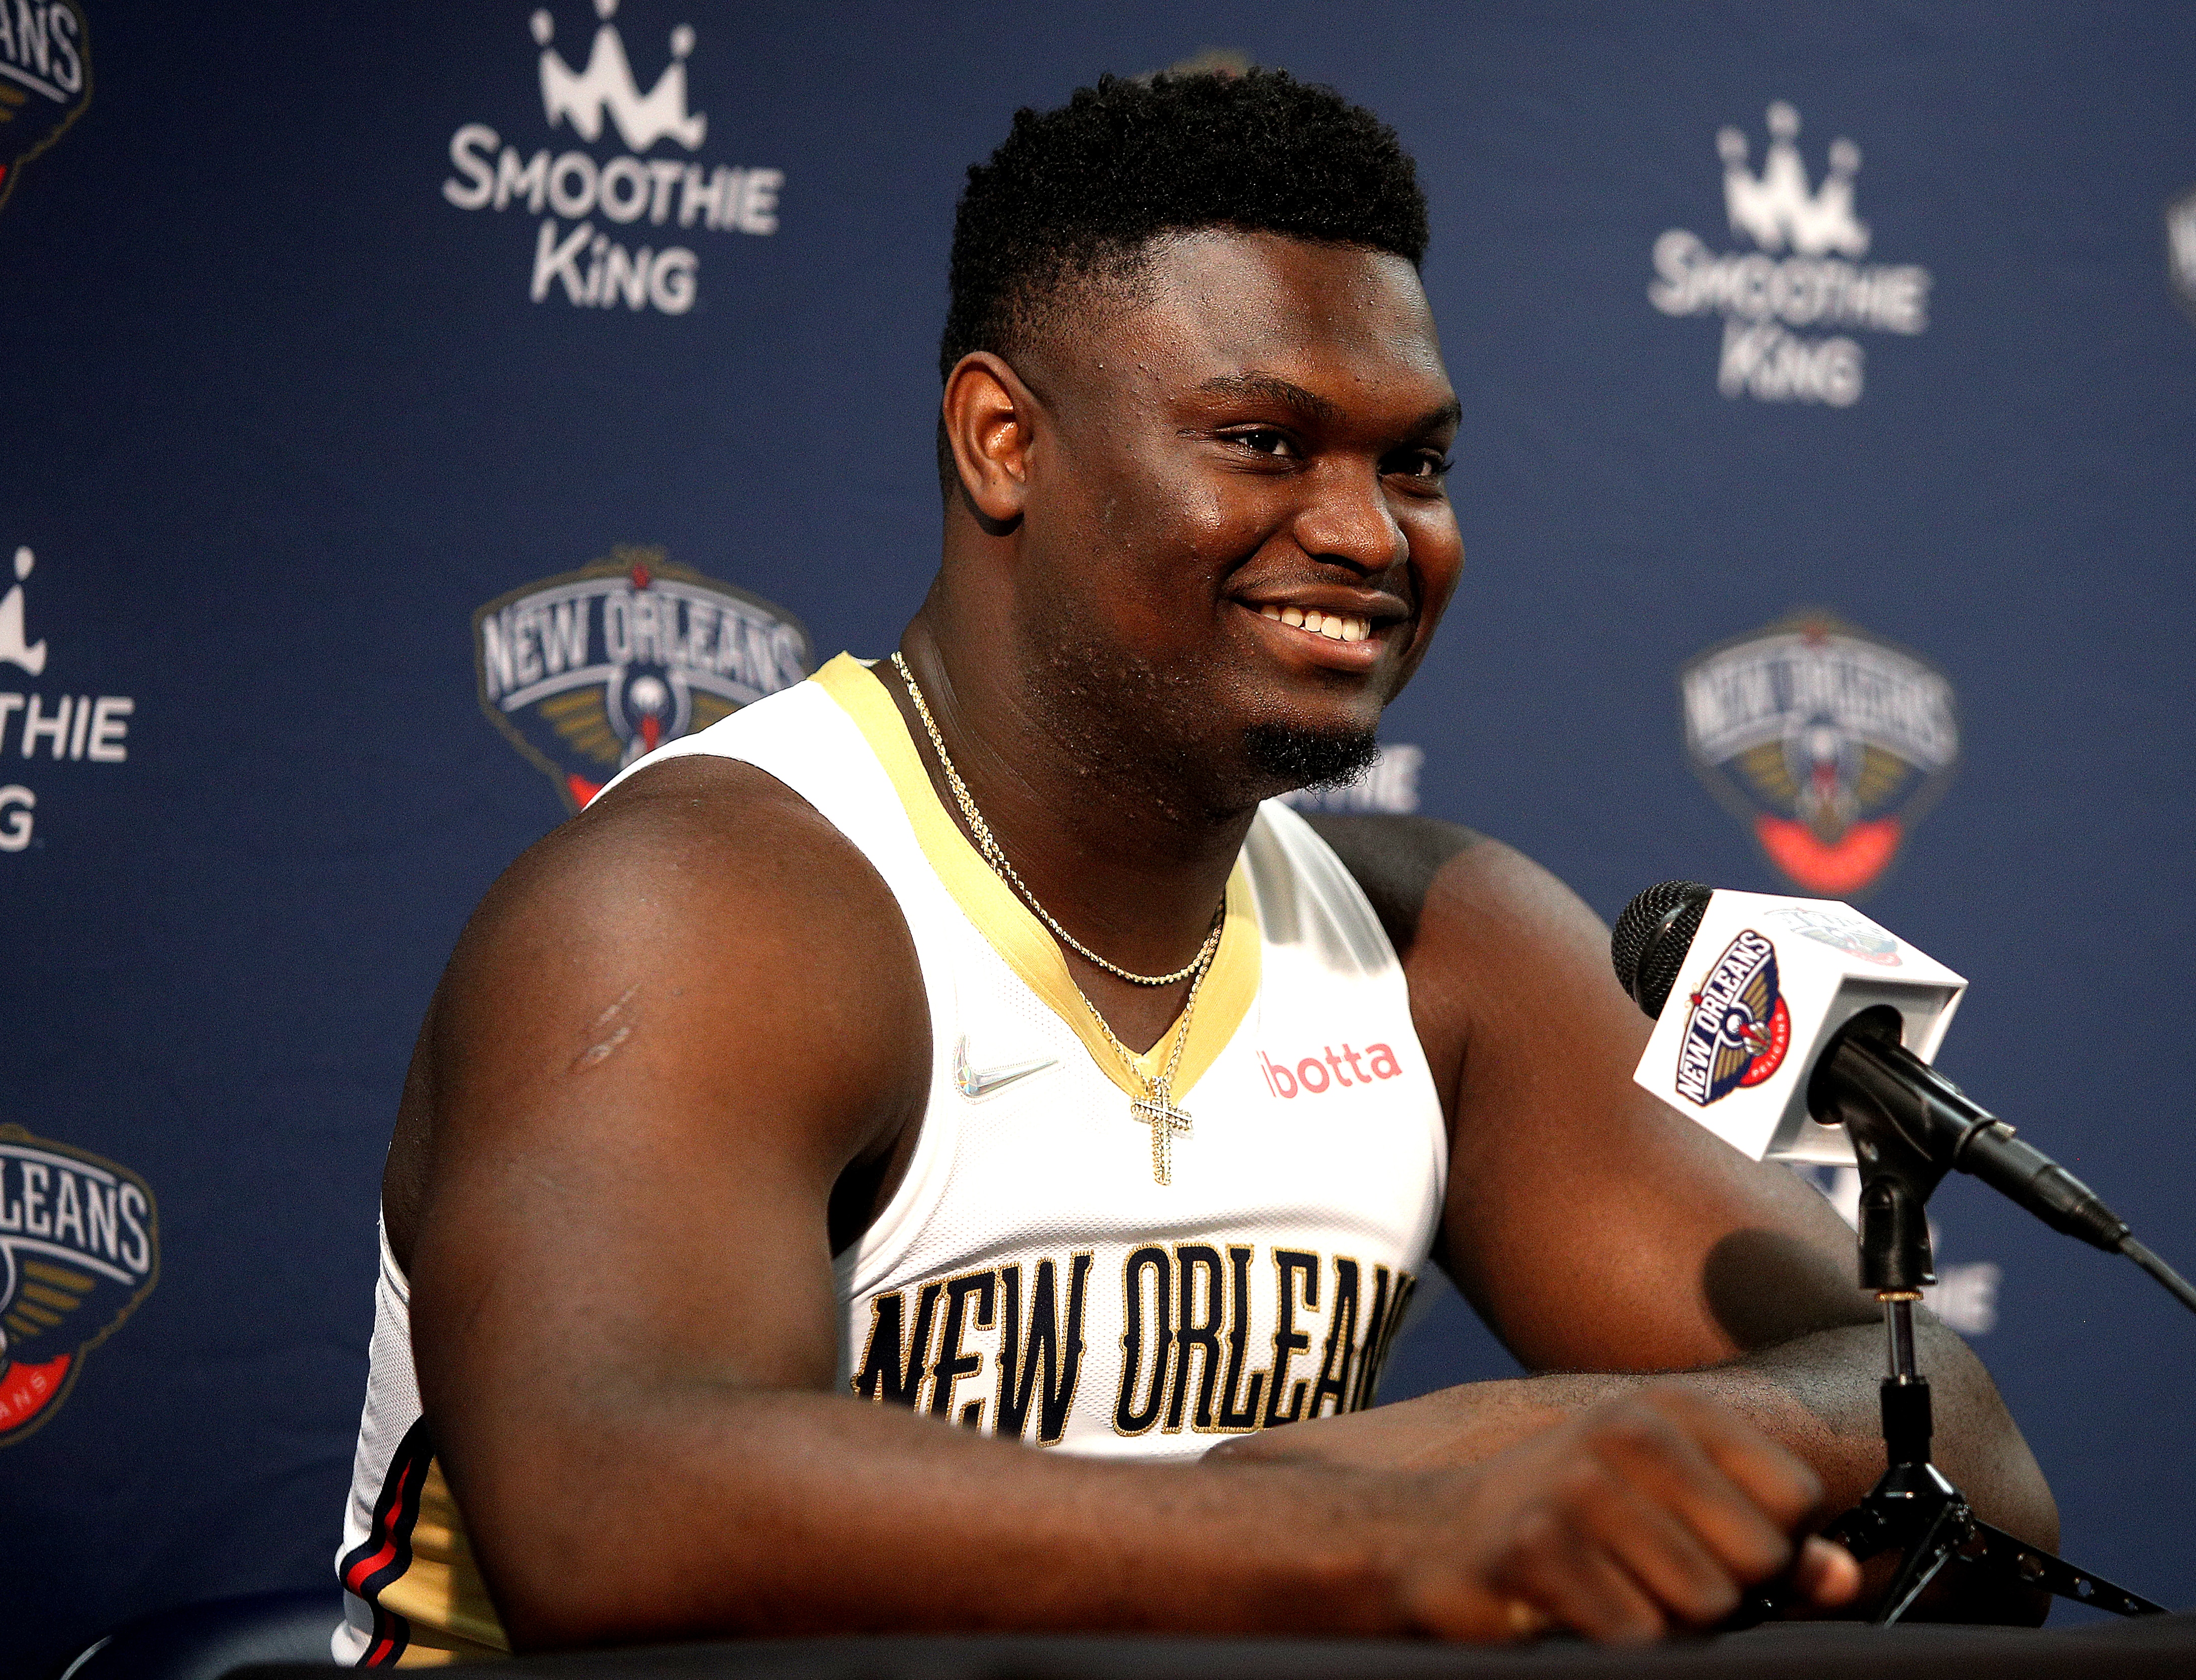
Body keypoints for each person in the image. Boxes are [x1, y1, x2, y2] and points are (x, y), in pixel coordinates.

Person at [333, 69, 2056, 1664]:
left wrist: (1483, 1448)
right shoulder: (716, 902)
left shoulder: (1429, 940)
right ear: (1005, 442)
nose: (1372, 534)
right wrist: (1358, 1527)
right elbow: (613, 1517)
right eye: (1263, 440)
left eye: (1418, 463)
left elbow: (1945, 1420)